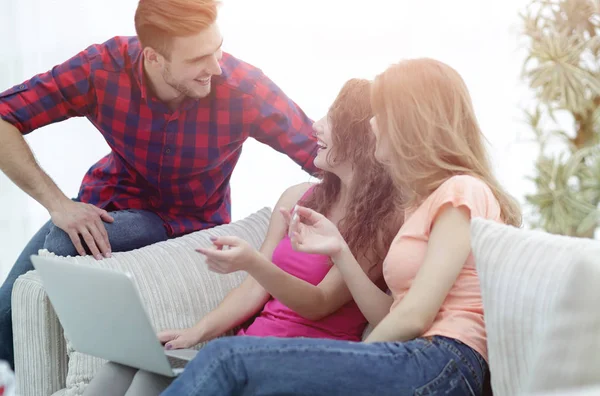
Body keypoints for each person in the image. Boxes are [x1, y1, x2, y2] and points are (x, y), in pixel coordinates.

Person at [159, 58, 523, 396]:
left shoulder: (463, 190)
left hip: (445, 360)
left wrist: (354, 359)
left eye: (381, 113)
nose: (371, 123)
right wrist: (340, 251)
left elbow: (416, 315)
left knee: (227, 358)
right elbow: (393, 314)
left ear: (410, 120)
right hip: (417, 355)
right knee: (222, 359)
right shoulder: (423, 204)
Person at [0, 0, 321, 370]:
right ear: (152, 58)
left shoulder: (243, 88)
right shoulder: (103, 67)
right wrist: (58, 205)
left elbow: (322, 154)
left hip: (188, 222)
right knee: (6, 311)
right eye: (198, 58)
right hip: (111, 205)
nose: (215, 68)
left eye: (217, 49)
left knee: (59, 242)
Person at [82, 79, 403, 396]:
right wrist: (197, 331)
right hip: (245, 351)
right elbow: (253, 288)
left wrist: (253, 262)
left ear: (360, 136)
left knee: (148, 383)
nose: (316, 126)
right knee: (125, 367)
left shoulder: (381, 220)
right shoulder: (298, 197)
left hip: (304, 363)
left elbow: (318, 304)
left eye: (332, 119)